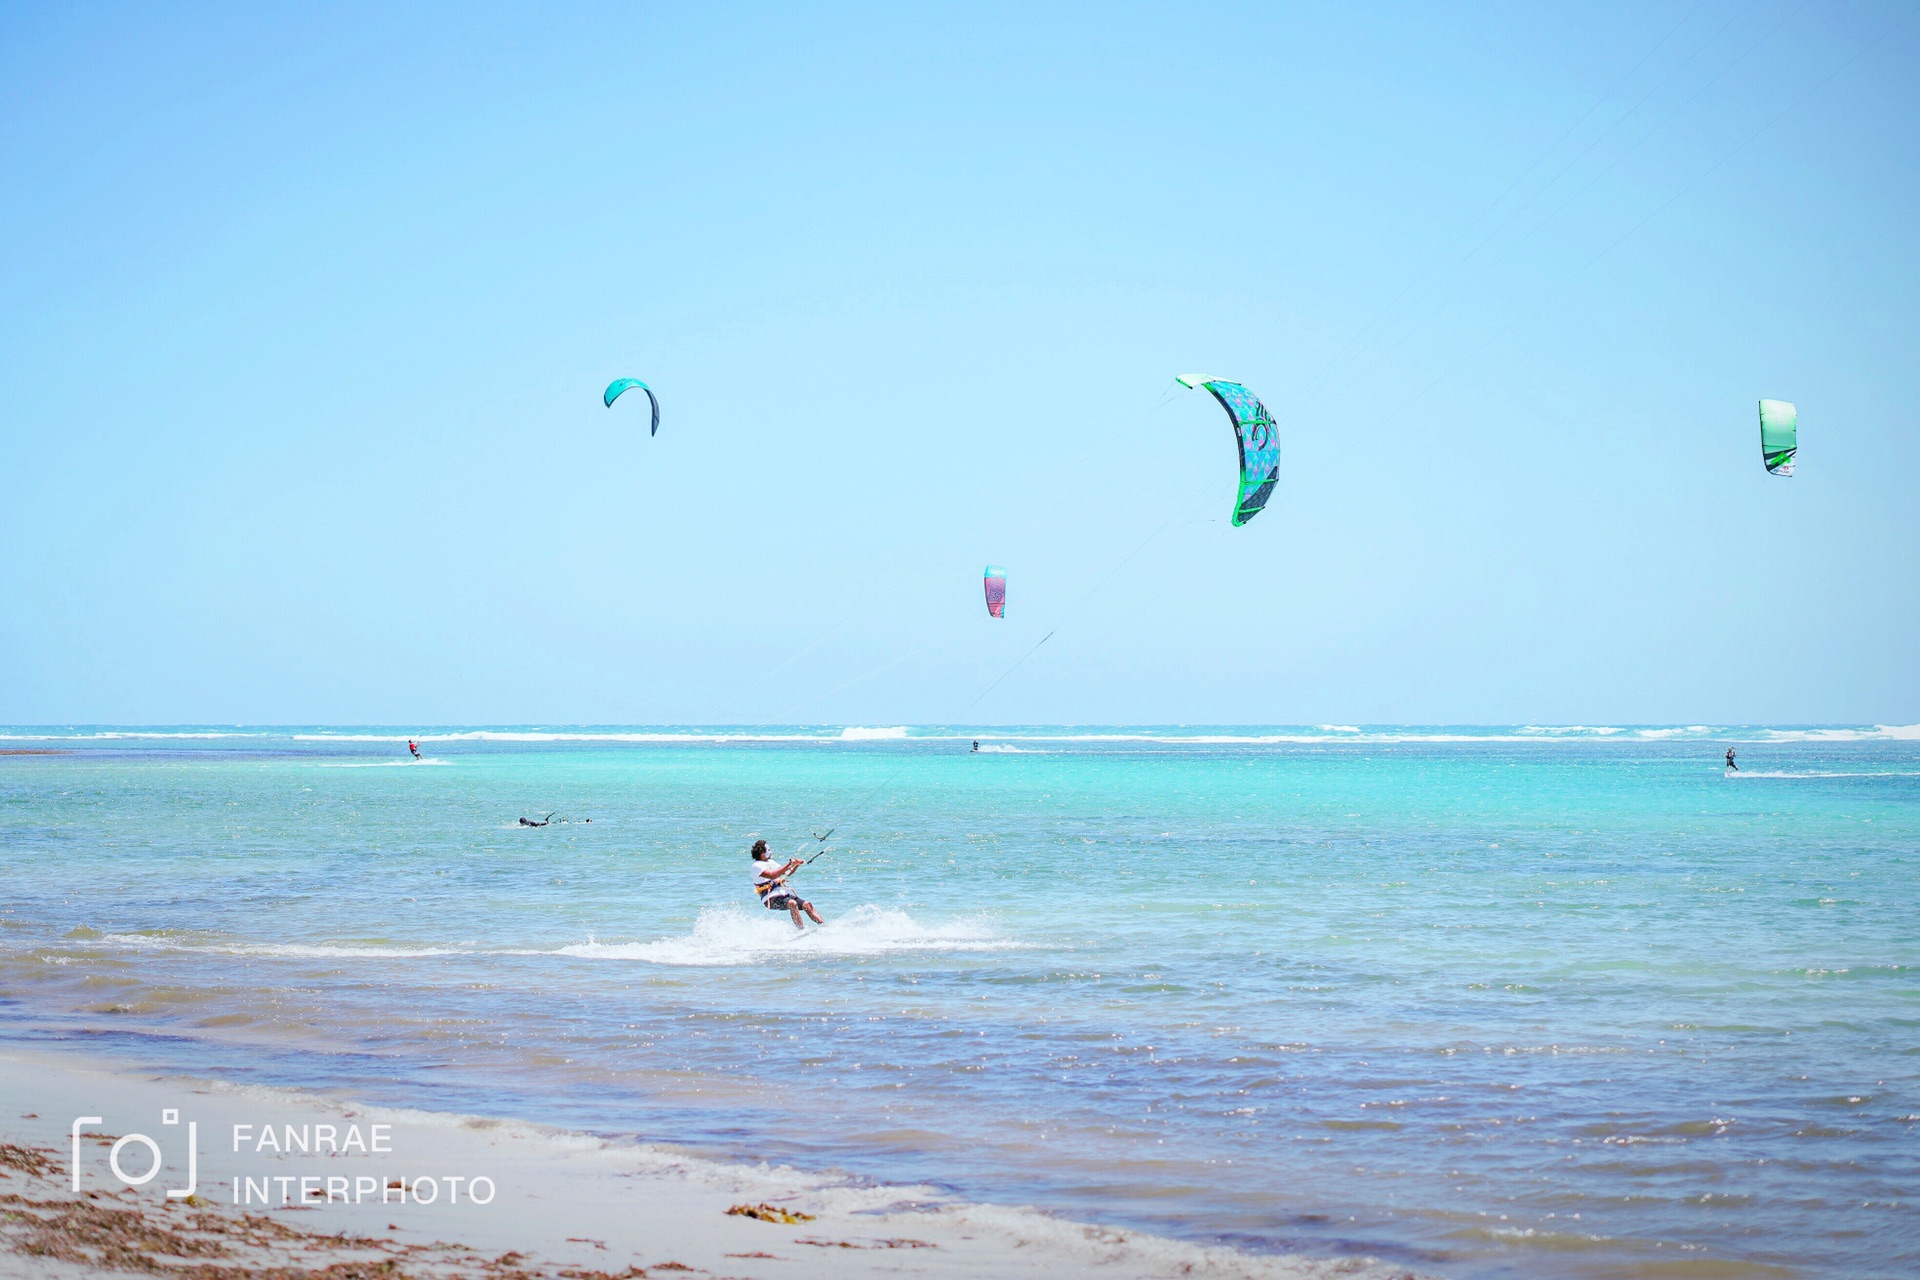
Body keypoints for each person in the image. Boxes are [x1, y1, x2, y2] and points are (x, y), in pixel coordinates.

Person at [750, 838, 824, 930]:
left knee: (807, 905)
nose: (771, 852)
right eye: (768, 850)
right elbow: (773, 875)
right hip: (770, 898)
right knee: (792, 903)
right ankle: (801, 930)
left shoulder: (771, 862)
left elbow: (787, 873)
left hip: (783, 894)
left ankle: (824, 926)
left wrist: (796, 865)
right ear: (762, 854)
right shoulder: (756, 866)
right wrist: (789, 864)